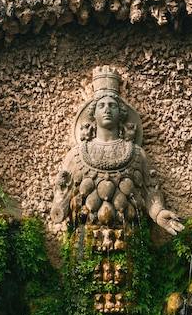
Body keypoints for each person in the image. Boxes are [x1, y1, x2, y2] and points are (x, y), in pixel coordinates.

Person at [51, 66, 183, 237]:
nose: (107, 109)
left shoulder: (136, 154)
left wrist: (158, 214)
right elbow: (63, 196)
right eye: (102, 105)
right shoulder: (76, 156)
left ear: (121, 113)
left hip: (128, 238)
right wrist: (58, 208)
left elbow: (151, 191)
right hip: (85, 240)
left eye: (112, 105)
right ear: (93, 112)